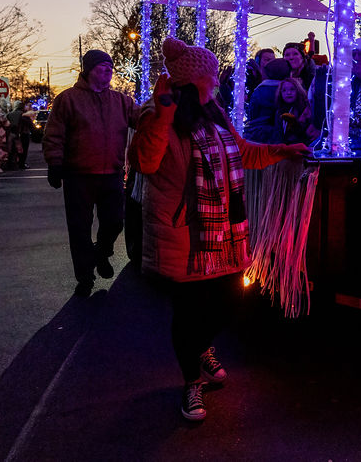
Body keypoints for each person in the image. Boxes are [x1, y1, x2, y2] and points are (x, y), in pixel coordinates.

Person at [128, 36, 309, 422]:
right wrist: (163, 114)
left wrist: (281, 151)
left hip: (224, 230)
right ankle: (192, 381)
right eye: (210, 75)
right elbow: (145, 161)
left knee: (231, 300)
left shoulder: (215, 113)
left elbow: (243, 152)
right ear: (194, 80)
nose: (215, 80)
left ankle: (201, 348)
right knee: (189, 312)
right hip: (184, 231)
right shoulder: (156, 114)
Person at [43, 49, 138, 297]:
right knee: (79, 228)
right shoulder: (68, 100)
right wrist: (55, 163)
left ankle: (102, 252)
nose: (108, 73)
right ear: (88, 70)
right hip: (79, 175)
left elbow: (144, 120)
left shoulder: (121, 102)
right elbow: (54, 134)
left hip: (112, 174)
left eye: (110, 69)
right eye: (102, 68)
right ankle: (85, 277)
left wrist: (163, 105)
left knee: (115, 221)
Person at [243, 58, 291, 143]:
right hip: (278, 134)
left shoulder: (259, 90)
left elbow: (252, 113)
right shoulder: (287, 90)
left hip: (257, 132)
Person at [273, 77, 318, 145]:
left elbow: (306, 133)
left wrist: (294, 124)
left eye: (292, 89)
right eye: (284, 90)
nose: (288, 93)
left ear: (298, 90)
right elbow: (278, 133)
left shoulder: (304, 109)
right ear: (280, 93)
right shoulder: (279, 111)